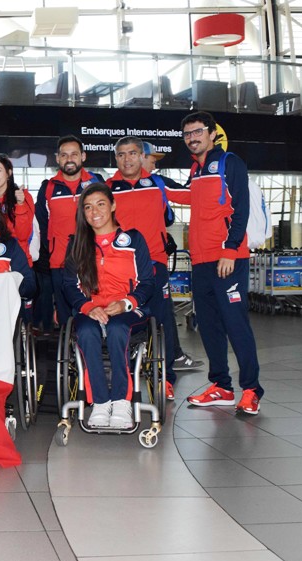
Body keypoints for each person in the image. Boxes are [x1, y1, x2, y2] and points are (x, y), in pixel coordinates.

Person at [167, 111, 263, 415]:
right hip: (201, 261)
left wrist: (231, 249)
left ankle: (251, 389)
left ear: (211, 133)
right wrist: (154, 180)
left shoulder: (228, 162)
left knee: (236, 325)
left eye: (197, 132)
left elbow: (241, 208)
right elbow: (187, 197)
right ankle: (221, 386)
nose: (192, 138)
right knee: (209, 327)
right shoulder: (195, 170)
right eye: (187, 134)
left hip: (227, 259)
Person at [62, 183, 155, 429]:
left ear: (113, 205)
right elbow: (69, 285)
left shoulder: (133, 239)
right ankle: (100, 403)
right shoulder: (76, 244)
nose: (94, 212)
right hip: (91, 310)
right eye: (88, 207)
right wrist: (87, 307)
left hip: (128, 311)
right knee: (86, 331)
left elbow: (147, 282)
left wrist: (126, 303)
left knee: (116, 329)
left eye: (101, 204)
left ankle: (122, 402)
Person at [107, 136, 181, 400]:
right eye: (122, 154)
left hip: (155, 263)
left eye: (133, 153)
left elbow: (189, 198)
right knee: (120, 317)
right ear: (116, 159)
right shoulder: (107, 187)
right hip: (121, 266)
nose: (127, 159)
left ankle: (167, 377)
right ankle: (123, 372)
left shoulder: (158, 183)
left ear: (141, 156)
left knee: (162, 319)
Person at [141, 142, 205, 373]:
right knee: (160, 310)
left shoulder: (116, 185)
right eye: (152, 159)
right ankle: (168, 356)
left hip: (149, 258)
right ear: (140, 158)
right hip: (146, 260)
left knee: (162, 309)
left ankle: (171, 355)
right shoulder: (157, 184)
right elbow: (174, 211)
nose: (154, 163)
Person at [36, 135, 104, 329]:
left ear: (83, 156)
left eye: (74, 154)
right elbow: (41, 225)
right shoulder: (48, 187)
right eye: (64, 155)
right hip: (60, 262)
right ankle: (70, 355)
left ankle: (91, 352)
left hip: (93, 258)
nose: (69, 159)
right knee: (66, 314)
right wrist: (47, 252)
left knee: (96, 309)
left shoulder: (96, 182)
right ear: (57, 159)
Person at [0, 153, 35, 266]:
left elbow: (23, 235)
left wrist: (20, 205)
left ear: (8, 173)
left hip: (17, 262)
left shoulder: (22, 196)